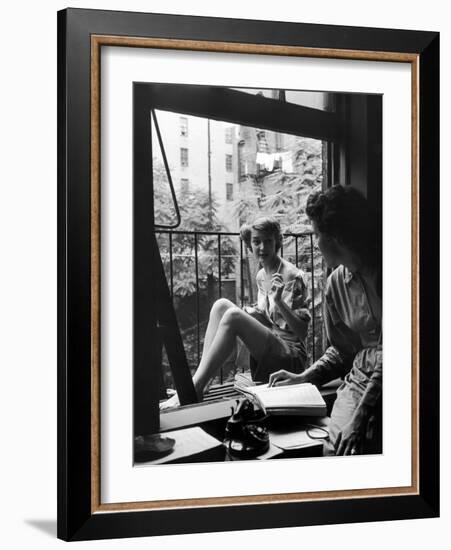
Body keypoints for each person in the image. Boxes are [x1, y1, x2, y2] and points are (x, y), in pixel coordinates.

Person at [269, 185, 382, 456]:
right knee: (336, 451)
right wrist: (305, 376)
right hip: (361, 380)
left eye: (317, 234)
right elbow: (343, 350)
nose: (316, 242)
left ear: (338, 237)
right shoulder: (335, 285)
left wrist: (362, 414)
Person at [160, 216, 311, 410]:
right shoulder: (261, 275)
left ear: (278, 242)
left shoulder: (292, 275)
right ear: (250, 244)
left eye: (268, 241)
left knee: (233, 316)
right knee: (221, 305)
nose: (262, 248)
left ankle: (194, 388)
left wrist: (279, 301)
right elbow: (269, 318)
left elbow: (302, 332)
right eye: (257, 242)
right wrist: (254, 312)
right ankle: (200, 382)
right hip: (272, 343)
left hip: (291, 358)